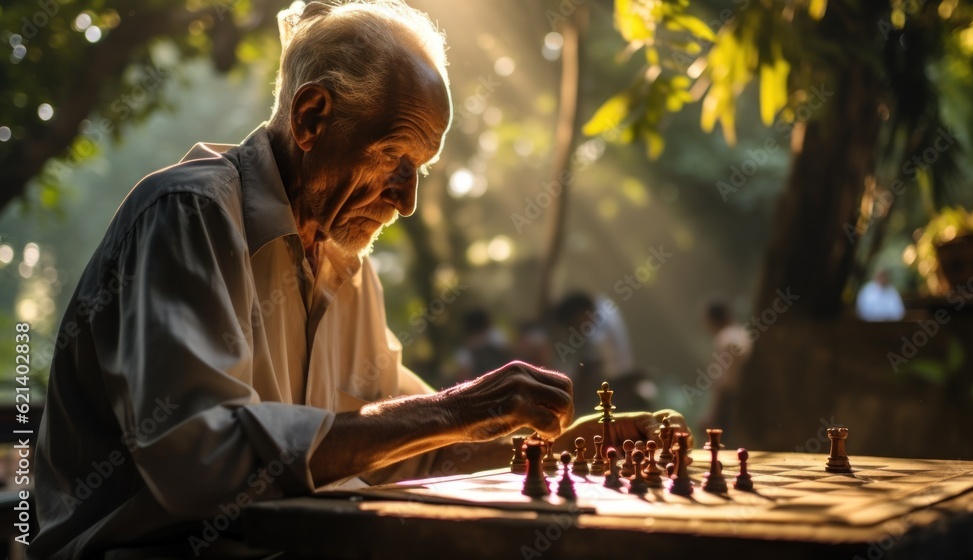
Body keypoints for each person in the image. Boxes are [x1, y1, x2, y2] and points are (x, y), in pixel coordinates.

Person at [29, 2, 686, 558]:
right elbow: (199, 462)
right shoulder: (191, 215)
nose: (407, 201)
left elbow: (409, 450)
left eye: (421, 167)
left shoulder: (348, 265)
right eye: (396, 157)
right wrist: (458, 410)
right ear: (312, 117)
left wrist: (550, 448)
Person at [698, 298, 752, 434]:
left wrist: (713, 416)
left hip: (730, 406)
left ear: (711, 320)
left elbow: (724, 382)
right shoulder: (743, 335)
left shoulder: (725, 339)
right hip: (748, 401)